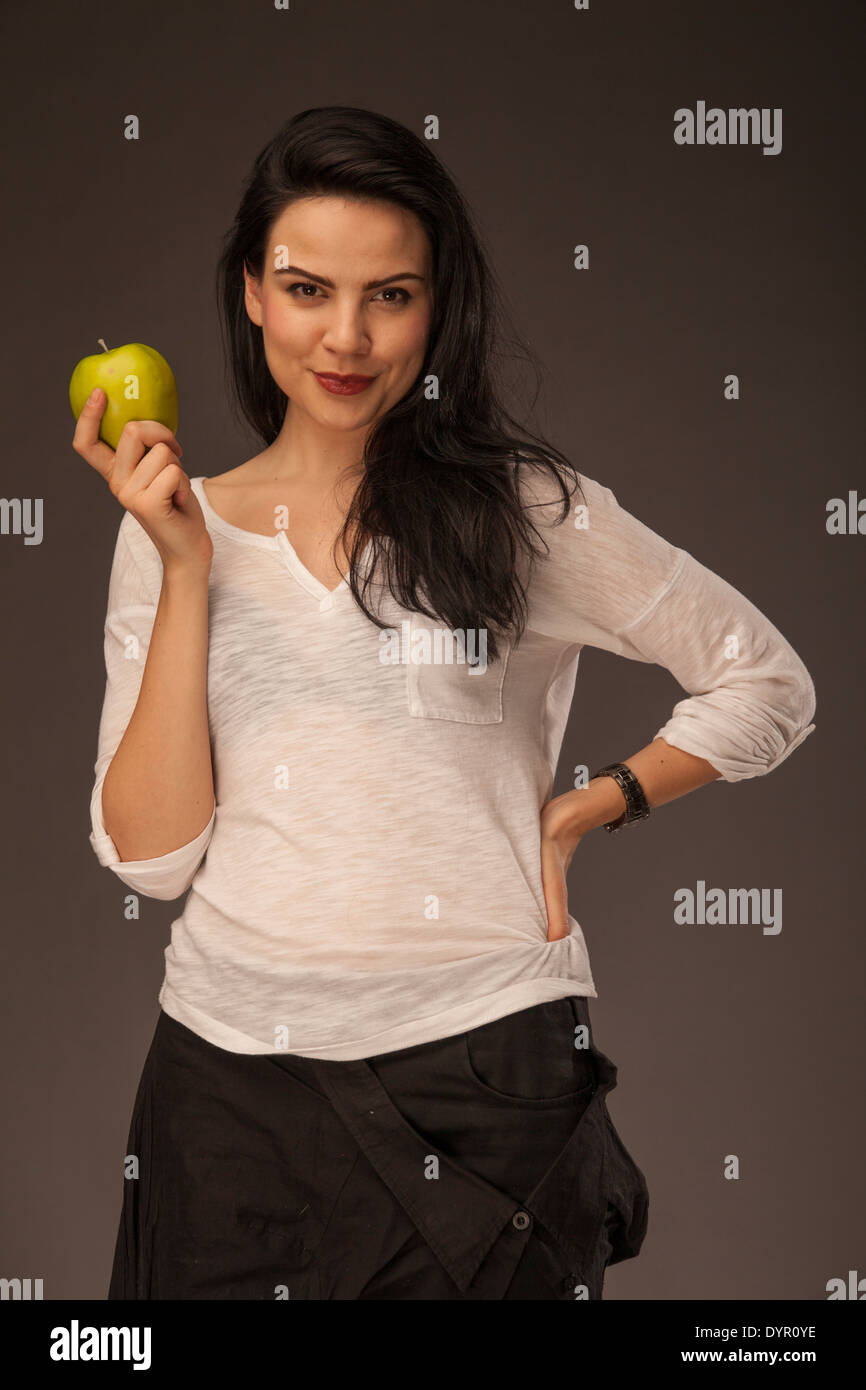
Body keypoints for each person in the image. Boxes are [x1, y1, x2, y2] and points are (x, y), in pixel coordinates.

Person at [76, 106, 816, 1301]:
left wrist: (589, 808)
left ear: (439, 307)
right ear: (252, 293)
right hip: (227, 1096)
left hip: (486, 1072)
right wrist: (181, 569)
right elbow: (153, 860)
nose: (347, 337)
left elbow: (768, 679)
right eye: (307, 288)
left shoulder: (524, 510)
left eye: (391, 295)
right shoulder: (174, 531)